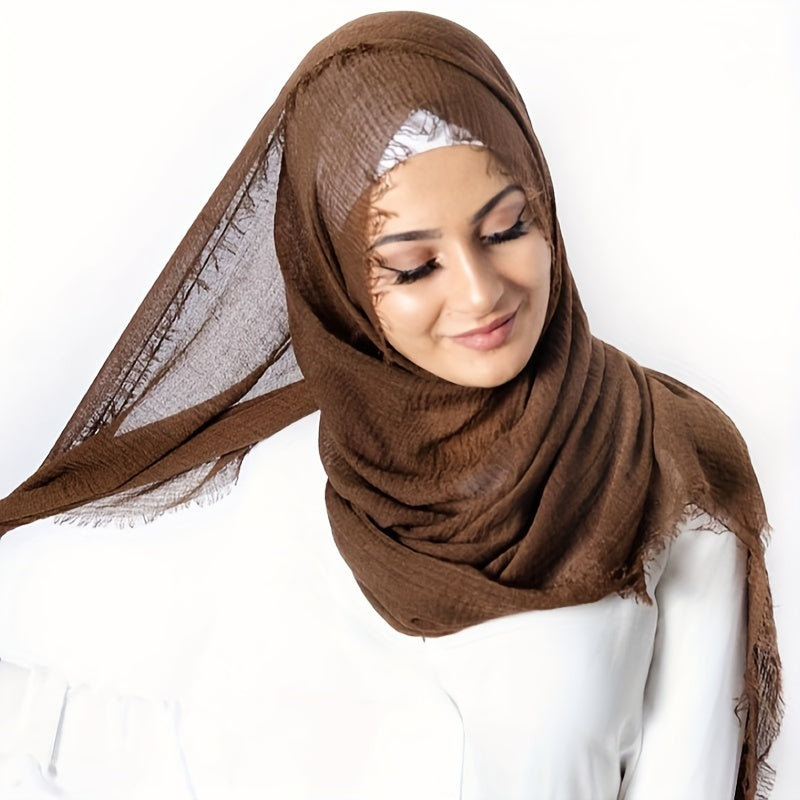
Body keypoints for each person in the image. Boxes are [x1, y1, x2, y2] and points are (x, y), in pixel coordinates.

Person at [0, 10, 782, 800]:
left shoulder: (668, 467)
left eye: (508, 227)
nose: (480, 292)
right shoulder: (280, 480)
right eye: (413, 267)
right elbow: (211, 755)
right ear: (337, 279)